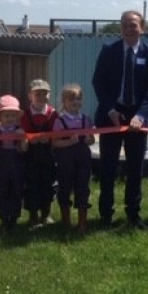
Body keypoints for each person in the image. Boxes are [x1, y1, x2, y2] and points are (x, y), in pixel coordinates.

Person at [92, 10, 148, 229]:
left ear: (142, 27)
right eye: (125, 25)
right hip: (111, 116)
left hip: (137, 118)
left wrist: (140, 116)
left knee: (135, 169)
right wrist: (110, 109)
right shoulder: (109, 51)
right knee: (108, 168)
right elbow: (98, 83)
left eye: (133, 25)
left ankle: (133, 214)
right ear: (120, 29)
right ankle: (105, 215)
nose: (129, 29)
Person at [51, 83, 95, 234]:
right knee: (64, 188)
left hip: (83, 160)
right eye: (71, 99)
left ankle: (82, 223)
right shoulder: (60, 121)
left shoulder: (86, 119)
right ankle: (66, 222)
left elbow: (92, 139)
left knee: (83, 188)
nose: (76, 102)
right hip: (65, 160)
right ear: (64, 102)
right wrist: (69, 142)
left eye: (78, 98)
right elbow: (55, 142)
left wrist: (90, 140)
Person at [0, 95, 29, 230]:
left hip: (17, 165)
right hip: (0, 165)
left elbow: (24, 149)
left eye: (13, 115)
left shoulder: (19, 130)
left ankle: (14, 218)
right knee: (1, 192)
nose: (10, 119)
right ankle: (4, 219)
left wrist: (23, 139)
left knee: (17, 191)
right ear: (0, 117)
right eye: (6, 116)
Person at [21, 78, 59, 228]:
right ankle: (33, 216)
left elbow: (56, 132)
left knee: (48, 184)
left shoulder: (53, 114)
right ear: (30, 96)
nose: (42, 97)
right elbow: (23, 132)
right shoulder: (24, 115)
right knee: (31, 184)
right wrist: (31, 139)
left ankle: (46, 214)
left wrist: (48, 139)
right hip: (30, 156)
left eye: (45, 93)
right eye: (38, 94)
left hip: (48, 155)